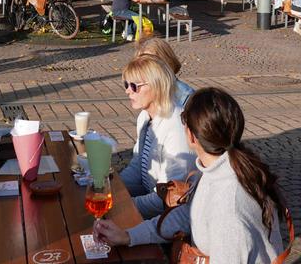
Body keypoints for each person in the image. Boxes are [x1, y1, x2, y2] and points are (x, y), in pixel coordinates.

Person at [95, 88, 287, 263]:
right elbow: (186, 216)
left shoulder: (228, 206)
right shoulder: (215, 170)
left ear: (191, 136)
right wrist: (128, 236)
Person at [117, 56, 196, 219]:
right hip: (150, 203)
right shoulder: (144, 117)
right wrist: (111, 189)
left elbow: (170, 195)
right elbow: (137, 167)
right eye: (126, 84)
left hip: (173, 217)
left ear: (156, 86)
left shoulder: (176, 126)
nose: (127, 90)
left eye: (134, 86)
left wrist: (123, 206)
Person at [134, 36, 195, 107]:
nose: (146, 69)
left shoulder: (186, 97)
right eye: (142, 65)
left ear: (168, 62)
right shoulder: (150, 91)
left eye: (151, 63)